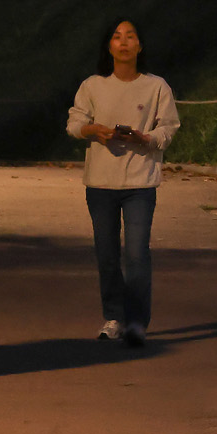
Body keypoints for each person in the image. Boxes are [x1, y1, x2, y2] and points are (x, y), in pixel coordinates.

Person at [66, 19, 180, 348]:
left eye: (131, 36)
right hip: (100, 184)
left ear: (140, 46)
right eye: (117, 36)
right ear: (109, 46)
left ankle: (136, 323)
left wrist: (147, 138)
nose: (124, 42)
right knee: (106, 254)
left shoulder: (157, 86)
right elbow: (74, 123)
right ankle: (113, 317)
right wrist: (95, 130)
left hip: (140, 184)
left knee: (137, 254)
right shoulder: (93, 85)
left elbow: (169, 128)